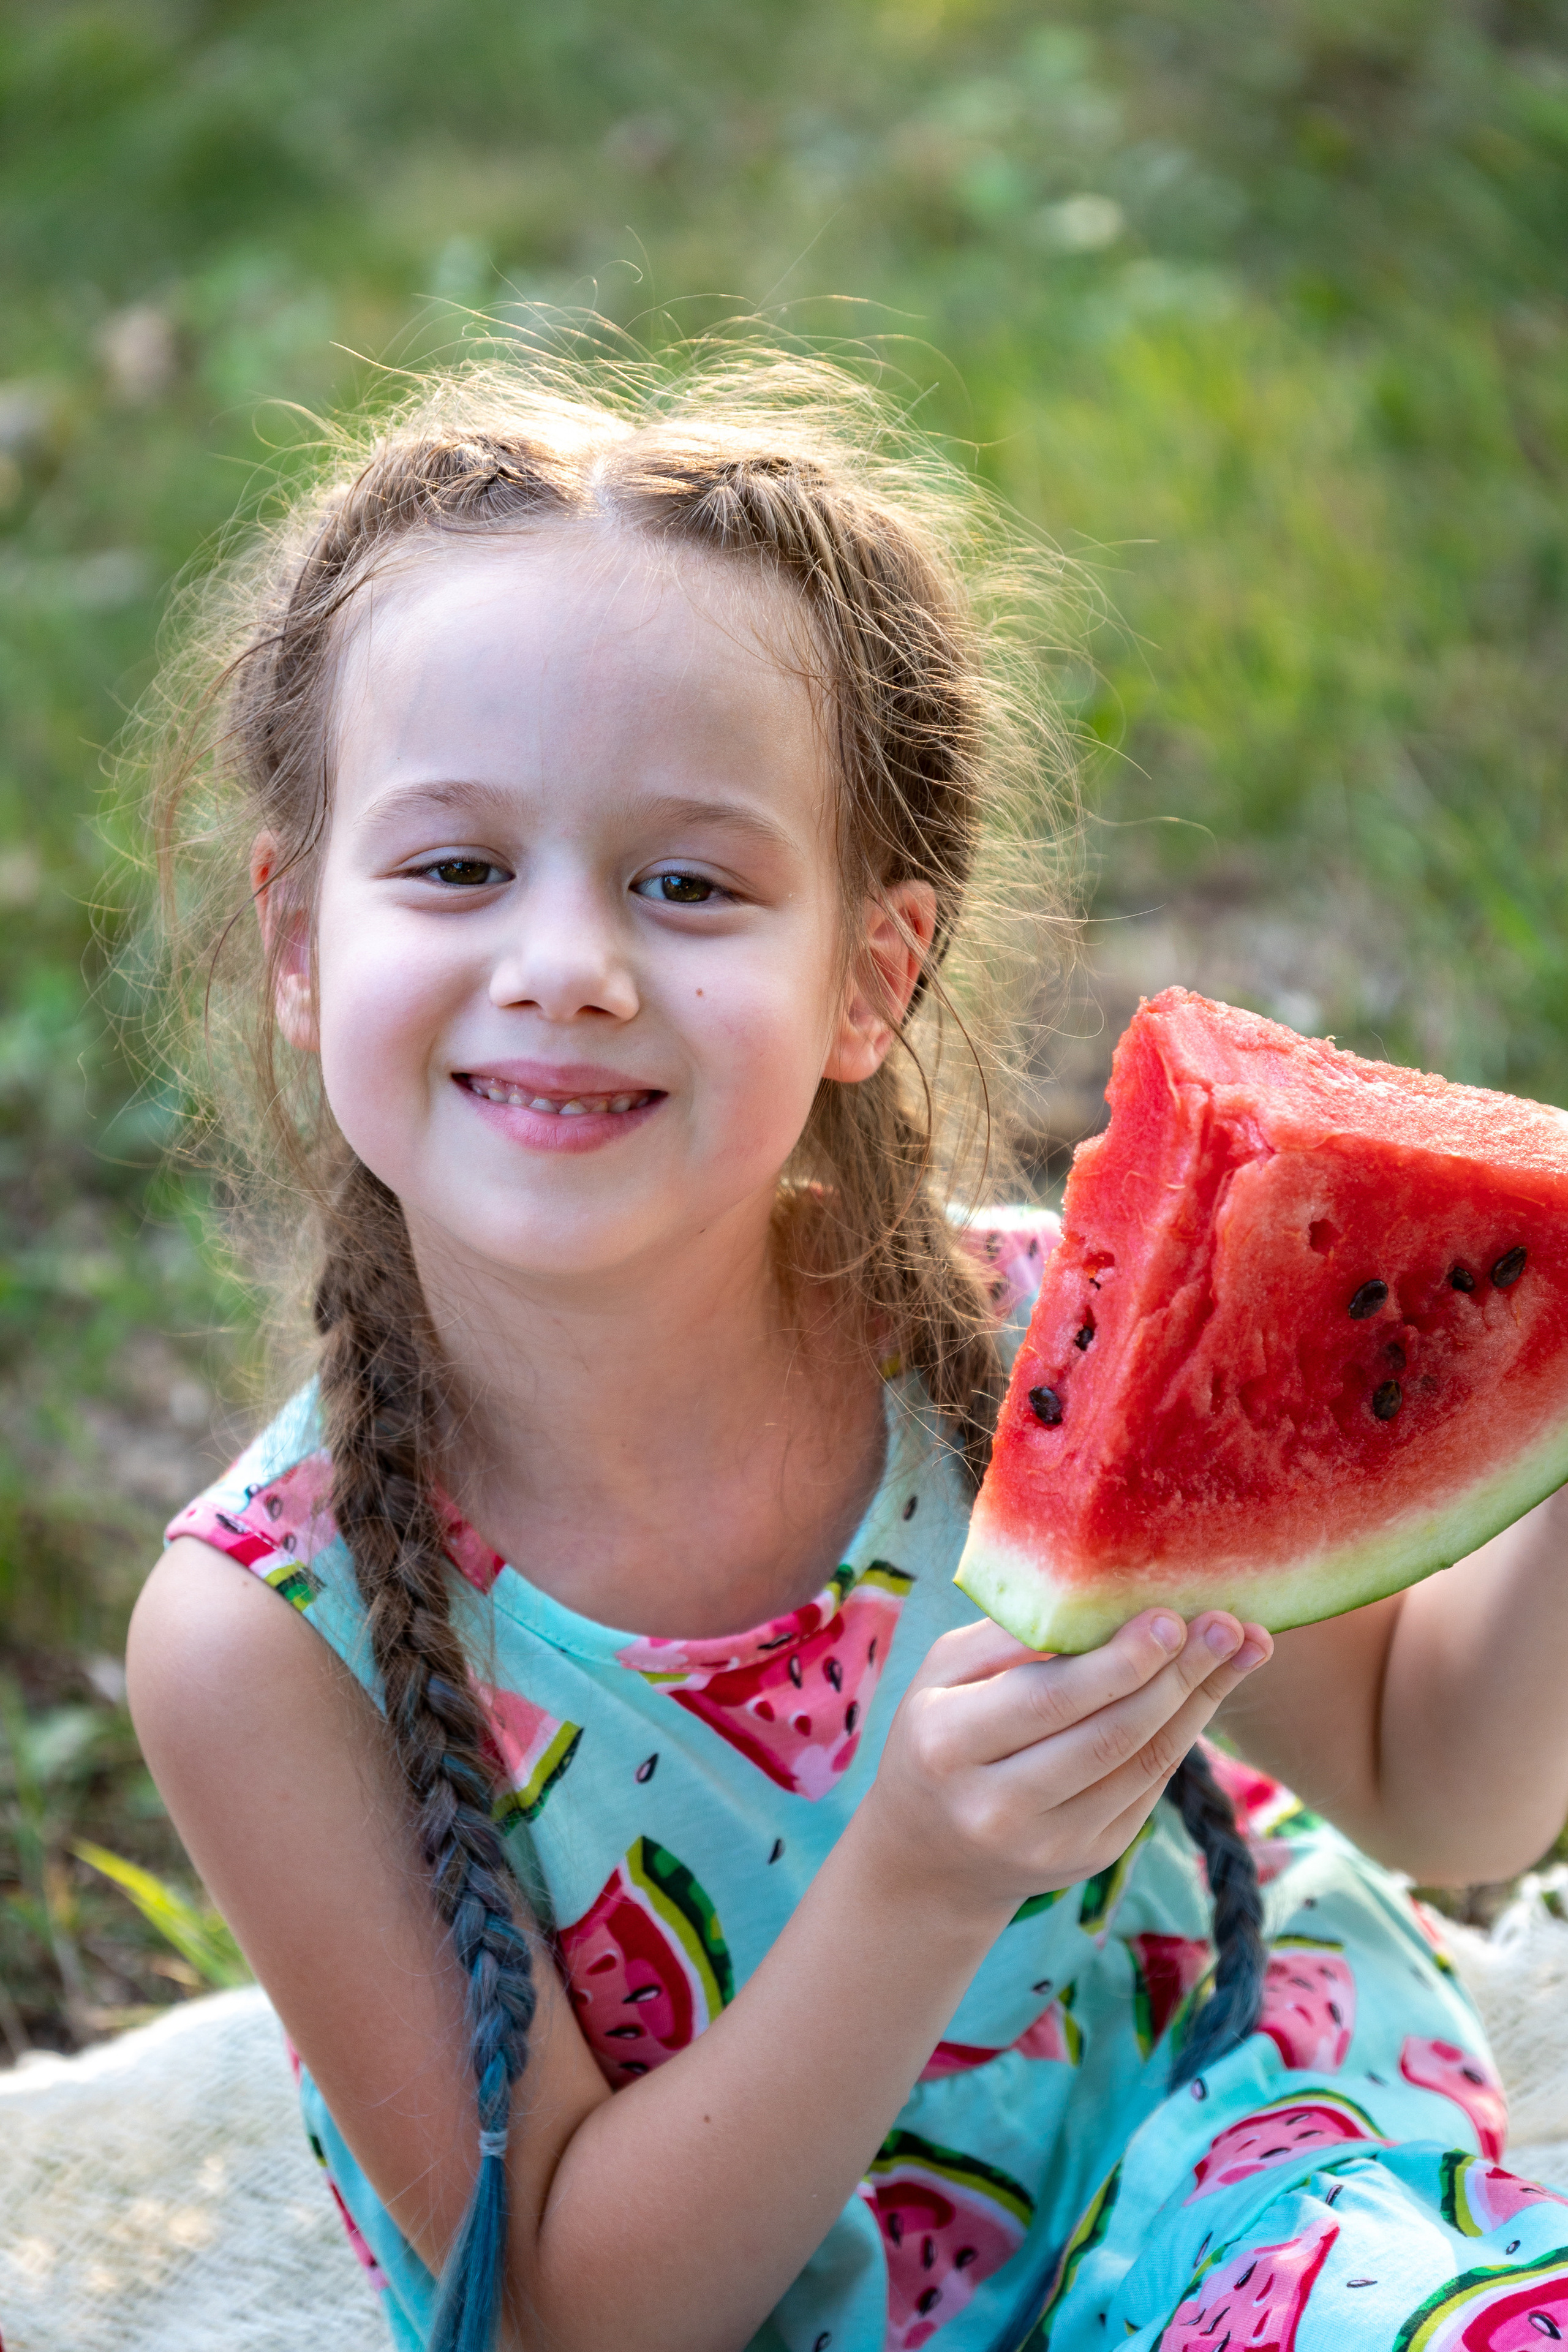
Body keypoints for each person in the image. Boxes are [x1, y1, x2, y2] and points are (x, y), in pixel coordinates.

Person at [127, 349, 1568, 2352]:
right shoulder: (265, 1640)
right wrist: (917, 1870)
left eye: (690, 884)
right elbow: (573, 2311)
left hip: (1244, 2158)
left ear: (867, 977)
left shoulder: (1028, 1337)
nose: (567, 964)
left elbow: (1442, 1787)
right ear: (300, 945)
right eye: (456, 865)